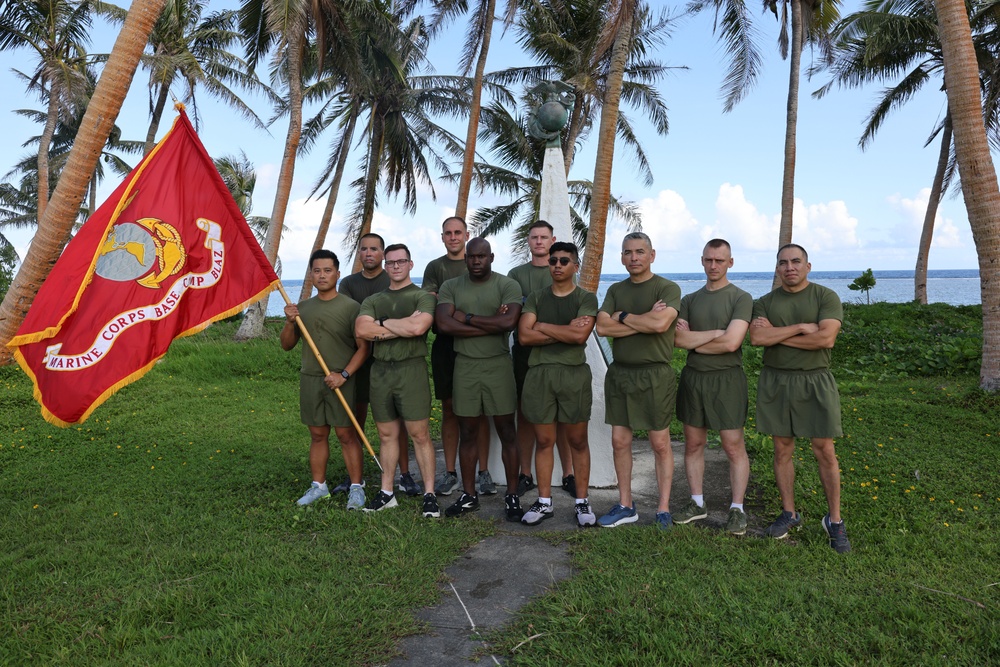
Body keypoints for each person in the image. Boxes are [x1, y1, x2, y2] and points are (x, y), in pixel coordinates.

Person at [750, 244, 851, 553]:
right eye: (783, 263)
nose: (789, 267)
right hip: (776, 381)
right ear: (777, 269)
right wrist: (800, 329)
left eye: (796, 261)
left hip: (815, 380)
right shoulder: (764, 303)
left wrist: (778, 335)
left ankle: (834, 521)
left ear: (808, 266)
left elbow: (826, 338)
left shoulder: (825, 297)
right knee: (782, 449)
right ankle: (789, 512)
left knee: (825, 450)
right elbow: (757, 339)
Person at [595, 232, 681, 530]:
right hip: (620, 374)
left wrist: (623, 316)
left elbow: (660, 324)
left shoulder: (667, 288)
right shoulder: (616, 289)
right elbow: (602, 328)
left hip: (655, 374)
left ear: (652, 255)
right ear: (621, 257)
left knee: (659, 443)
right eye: (628, 252)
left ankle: (663, 508)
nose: (634, 257)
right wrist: (642, 321)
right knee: (620, 441)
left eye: (640, 252)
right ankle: (625, 504)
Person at [435, 237, 524, 521]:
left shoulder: (507, 285)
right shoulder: (451, 286)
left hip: (498, 366)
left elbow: (509, 323)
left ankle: (511, 495)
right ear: (466, 259)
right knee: (468, 432)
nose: (476, 261)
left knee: (507, 431)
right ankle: (469, 496)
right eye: (471, 257)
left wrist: (467, 318)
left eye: (481, 257)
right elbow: (444, 324)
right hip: (465, 367)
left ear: (491, 257)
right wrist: (490, 325)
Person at [673, 239, 752, 535]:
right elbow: (678, 341)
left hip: (727, 380)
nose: (713, 265)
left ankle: (737, 509)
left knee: (733, 445)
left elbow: (733, 343)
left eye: (720, 260)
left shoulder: (741, 298)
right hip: (694, 379)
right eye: (708, 260)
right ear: (702, 261)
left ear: (730, 262)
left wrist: (698, 339)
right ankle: (696, 502)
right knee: (693, 444)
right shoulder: (689, 300)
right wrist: (717, 333)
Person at [355, 244, 440, 518]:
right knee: (386, 434)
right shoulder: (374, 299)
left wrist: (380, 325)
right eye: (390, 263)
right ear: (385, 265)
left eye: (400, 261)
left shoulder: (422, 296)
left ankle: (429, 494)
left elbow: (419, 328)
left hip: (410, 370)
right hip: (380, 372)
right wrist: (397, 325)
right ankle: (387, 492)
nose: (395, 267)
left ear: (410, 264)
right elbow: (361, 329)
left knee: (419, 434)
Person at [517, 242, 598, 527]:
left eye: (565, 260)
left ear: (575, 265)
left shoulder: (586, 298)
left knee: (577, 440)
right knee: (544, 440)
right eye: (553, 260)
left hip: (573, 375)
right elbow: (524, 337)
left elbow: (579, 338)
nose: (558, 265)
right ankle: (544, 502)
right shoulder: (536, 297)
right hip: (540, 374)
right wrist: (563, 330)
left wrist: (542, 326)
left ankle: (582, 501)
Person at [281, 249, 370, 511]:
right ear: (310, 275)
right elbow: (287, 345)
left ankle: (356, 487)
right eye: (317, 271)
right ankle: (318, 486)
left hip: (343, 379)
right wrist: (289, 321)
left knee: (346, 434)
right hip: (311, 379)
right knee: (317, 434)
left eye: (327, 270)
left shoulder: (352, 308)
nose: (322, 275)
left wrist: (343, 375)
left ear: (337, 274)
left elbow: (363, 348)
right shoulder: (302, 308)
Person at [336, 233, 417, 497]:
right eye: (364, 249)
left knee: (398, 422)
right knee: (356, 419)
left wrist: (377, 327)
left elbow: (408, 321)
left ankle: (405, 475)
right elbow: (356, 323)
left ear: (383, 254)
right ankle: (354, 478)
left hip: (392, 361)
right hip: (358, 359)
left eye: (374, 249)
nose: (369, 253)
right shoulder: (348, 283)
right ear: (359, 253)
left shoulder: (392, 280)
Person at [422, 217, 492, 496]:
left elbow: (487, 306)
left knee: (481, 410)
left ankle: (483, 473)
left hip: (480, 347)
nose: (453, 237)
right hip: (446, 346)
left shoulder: (478, 261)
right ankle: (450, 472)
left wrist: (454, 309)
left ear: (467, 235)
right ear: (442, 237)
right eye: (448, 233)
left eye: (458, 232)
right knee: (450, 409)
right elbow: (433, 306)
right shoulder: (435, 267)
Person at [507, 221, 576, 498]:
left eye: (544, 237)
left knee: (560, 417)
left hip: (560, 356)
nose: (538, 241)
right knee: (525, 414)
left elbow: (571, 319)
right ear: (528, 241)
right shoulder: (516, 273)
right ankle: (526, 474)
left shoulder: (561, 270)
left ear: (553, 239)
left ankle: (568, 473)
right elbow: (515, 318)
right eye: (534, 237)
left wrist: (536, 320)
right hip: (525, 354)